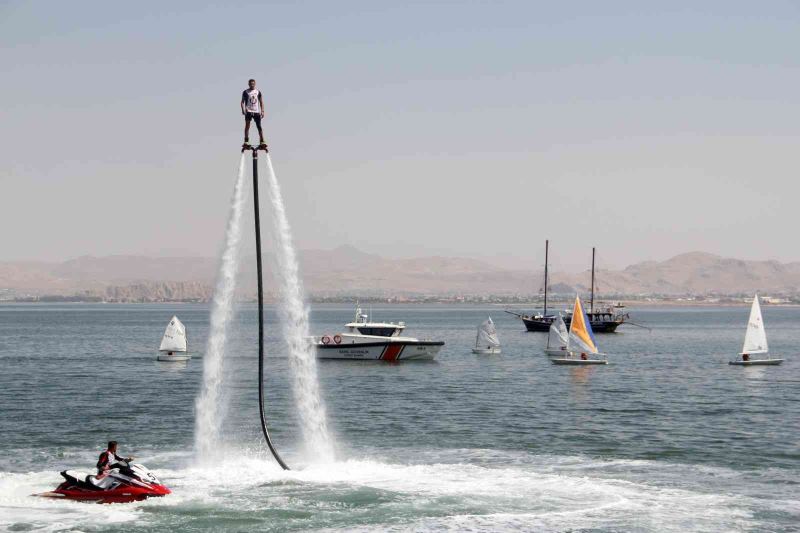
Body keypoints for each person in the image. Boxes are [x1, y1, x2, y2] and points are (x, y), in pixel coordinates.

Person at [241, 79, 265, 145]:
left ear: (255, 84)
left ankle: (262, 140)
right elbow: (242, 102)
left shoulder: (258, 92)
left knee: (259, 126)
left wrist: (262, 111)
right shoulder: (245, 92)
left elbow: (261, 102)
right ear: (248, 84)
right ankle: (246, 140)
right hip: (248, 111)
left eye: (253, 84)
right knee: (247, 126)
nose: (252, 85)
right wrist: (243, 110)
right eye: (251, 84)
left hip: (256, 112)